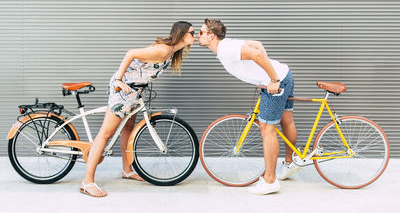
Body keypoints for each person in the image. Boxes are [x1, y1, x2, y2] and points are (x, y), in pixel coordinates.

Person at [80, 21, 196, 197]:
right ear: (181, 34)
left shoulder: (173, 51)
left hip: (136, 90)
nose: (194, 37)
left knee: (127, 128)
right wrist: (119, 79)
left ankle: (127, 170)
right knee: (106, 134)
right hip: (124, 89)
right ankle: (87, 182)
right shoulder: (163, 50)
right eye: (192, 33)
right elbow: (131, 53)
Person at [197, 18, 301, 195]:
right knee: (287, 121)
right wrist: (265, 73)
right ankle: (290, 164)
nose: (197, 36)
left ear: (211, 35)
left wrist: (272, 79)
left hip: (276, 81)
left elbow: (257, 54)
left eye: (200, 33)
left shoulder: (225, 49)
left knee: (267, 128)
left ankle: (270, 180)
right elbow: (257, 45)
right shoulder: (227, 45)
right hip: (285, 74)